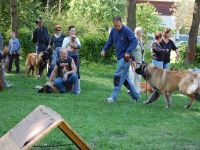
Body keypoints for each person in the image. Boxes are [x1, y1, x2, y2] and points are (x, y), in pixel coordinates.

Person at [101, 16, 140, 103]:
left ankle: (113, 97)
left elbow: (134, 41)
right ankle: (136, 96)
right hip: (119, 57)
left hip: (125, 58)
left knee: (117, 75)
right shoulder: (113, 31)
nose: (117, 27)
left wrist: (128, 52)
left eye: (118, 25)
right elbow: (109, 42)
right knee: (125, 79)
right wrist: (104, 50)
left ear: (121, 22)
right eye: (115, 26)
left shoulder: (127, 30)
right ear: (114, 24)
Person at [62, 25, 81, 94]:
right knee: (68, 71)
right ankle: (69, 88)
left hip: (75, 56)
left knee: (77, 72)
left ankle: (78, 89)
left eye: (74, 30)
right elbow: (63, 48)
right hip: (68, 56)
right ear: (69, 31)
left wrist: (75, 44)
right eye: (71, 30)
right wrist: (69, 41)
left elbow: (79, 46)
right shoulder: (65, 39)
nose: (73, 32)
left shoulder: (77, 38)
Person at [129, 27, 144, 93]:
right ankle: (131, 91)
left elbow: (142, 51)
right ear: (138, 32)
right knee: (132, 76)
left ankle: (137, 92)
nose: (142, 32)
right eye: (142, 31)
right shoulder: (133, 40)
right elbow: (130, 51)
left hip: (139, 62)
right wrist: (132, 60)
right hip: (133, 62)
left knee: (138, 77)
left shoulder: (140, 40)